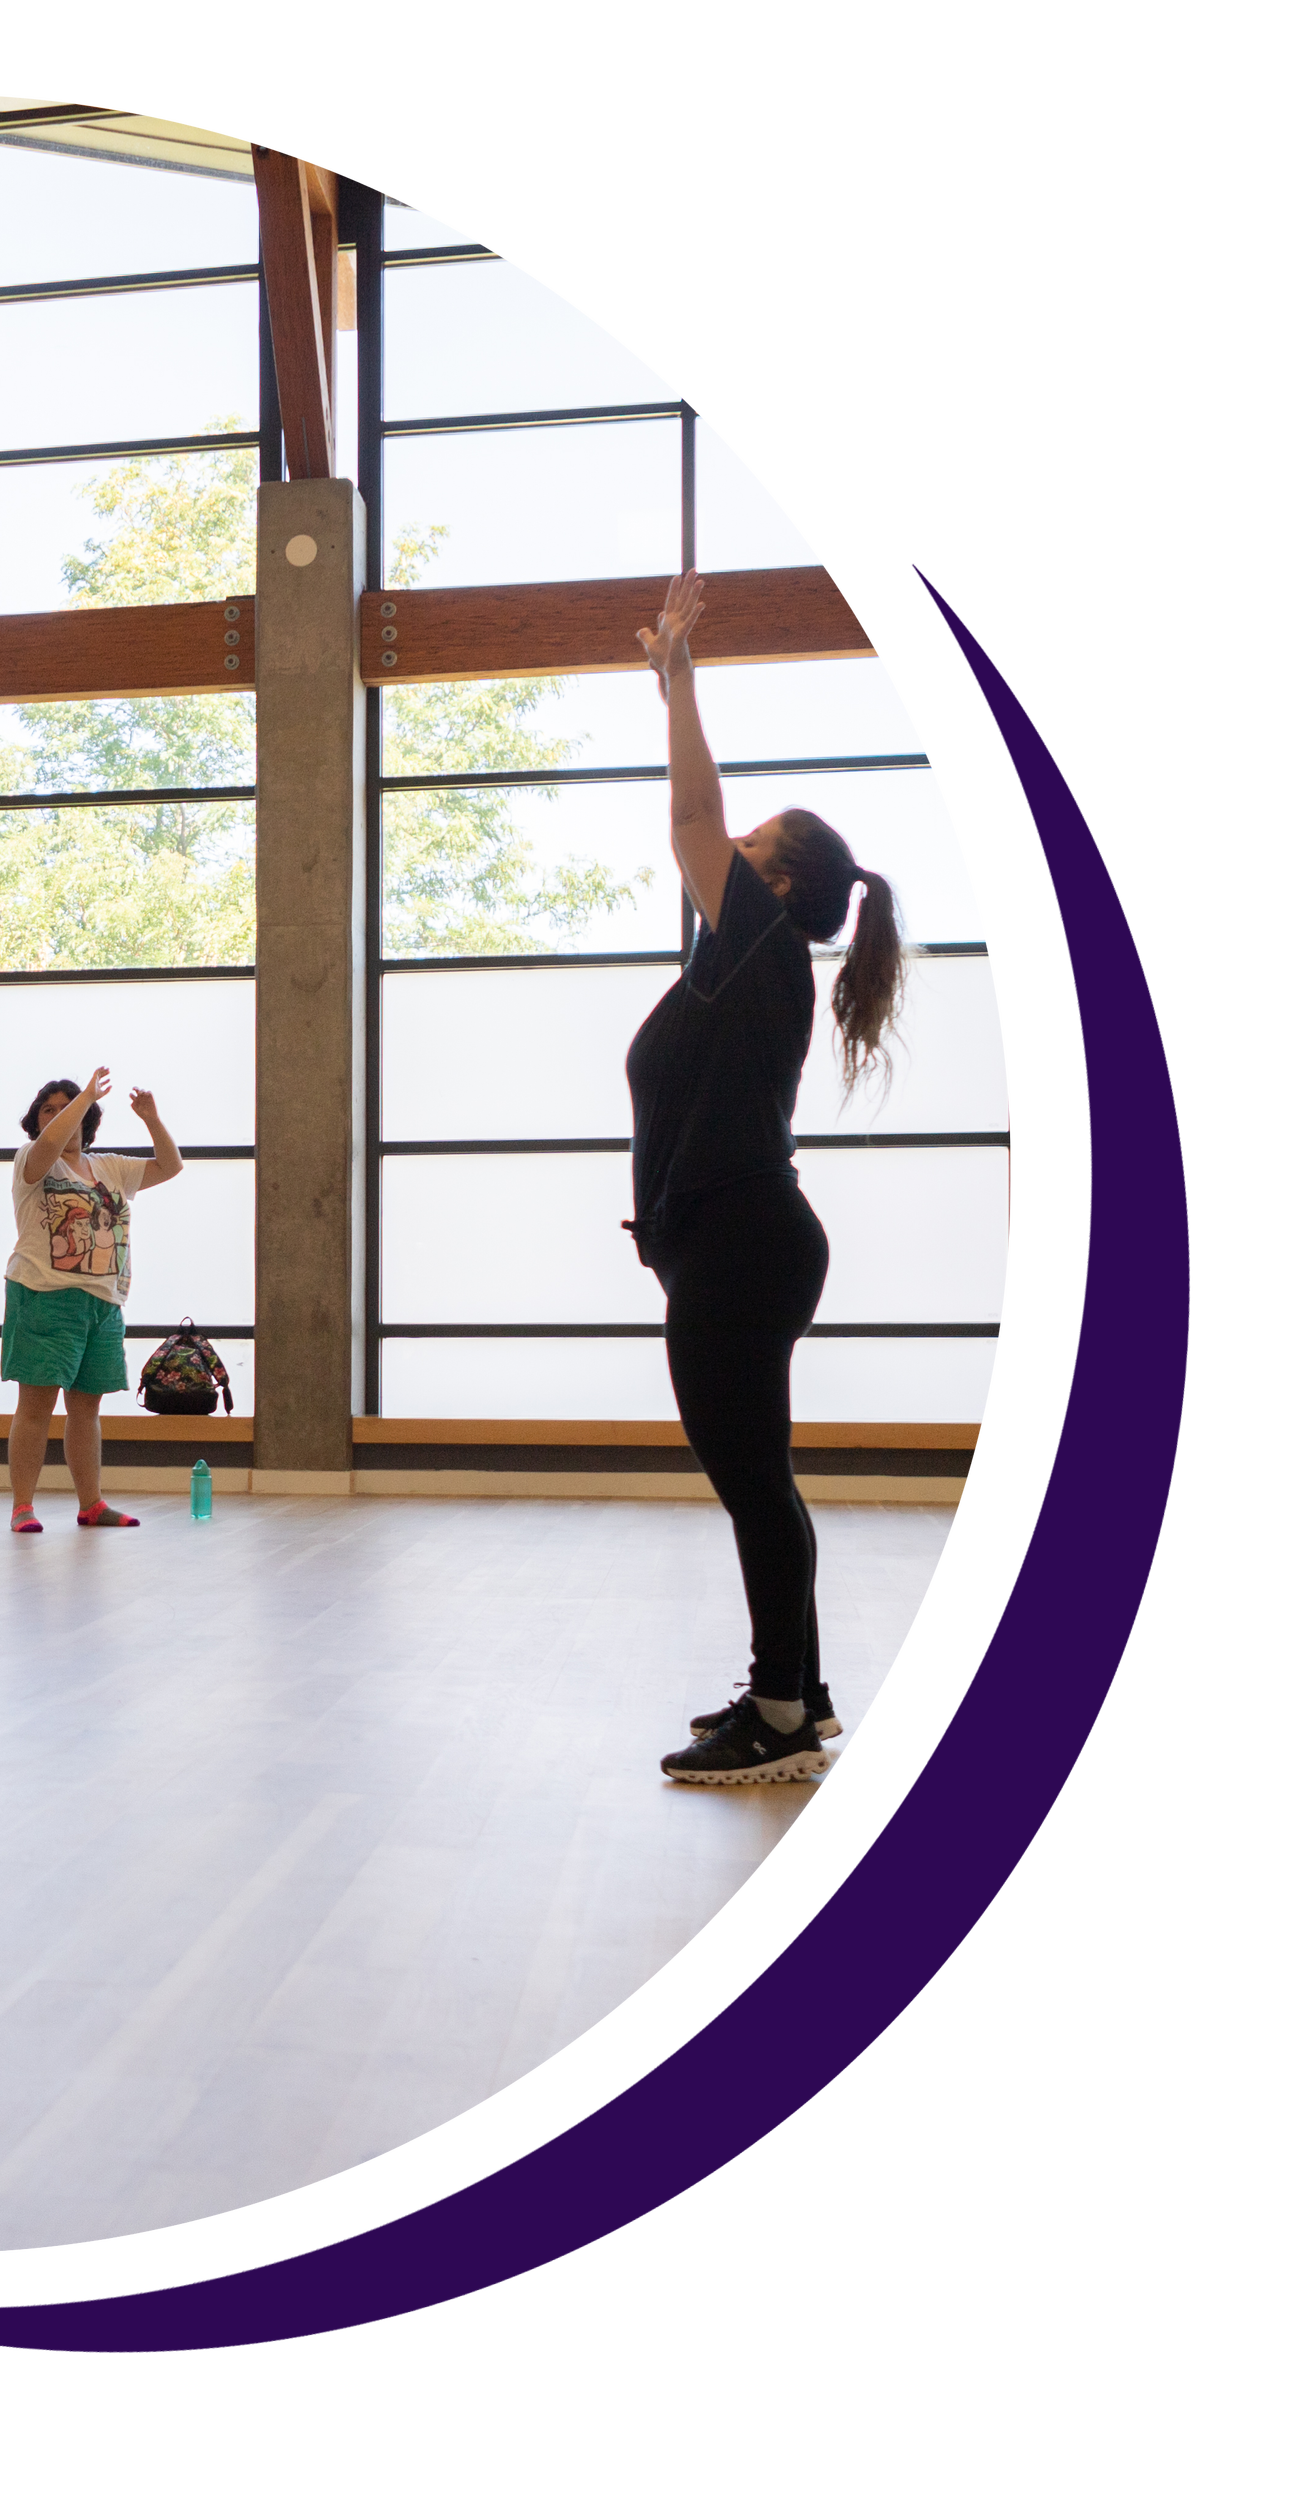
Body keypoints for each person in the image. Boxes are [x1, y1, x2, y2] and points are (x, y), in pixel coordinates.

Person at [627, 571, 906, 1787]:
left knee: (750, 1480)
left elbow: (692, 813)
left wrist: (682, 683)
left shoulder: (763, 942)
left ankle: (781, 1715)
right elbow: (704, 826)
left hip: (742, 1244)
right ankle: (796, 1696)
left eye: (751, 852)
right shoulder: (739, 960)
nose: (725, 855)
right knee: (760, 1477)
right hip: (741, 1242)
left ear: (776, 887)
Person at [2, 1070, 183, 1533]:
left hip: (103, 1301)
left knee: (86, 1409)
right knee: (36, 1407)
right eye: (49, 1109)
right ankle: (23, 1506)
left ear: (88, 1122)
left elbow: (170, 1166)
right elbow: (49, 1143)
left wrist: (152, 1119)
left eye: (67, 1108)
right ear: (37, 1121)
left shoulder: (110, 1167)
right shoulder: (33, 1158)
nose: (59, 1115)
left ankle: (91, 1504)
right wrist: (81, 1097)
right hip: (43, 1295)